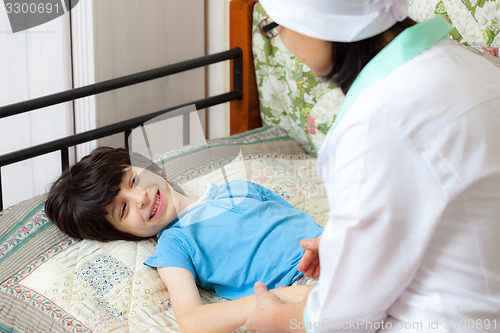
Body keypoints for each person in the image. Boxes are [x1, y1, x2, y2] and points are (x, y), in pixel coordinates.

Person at [246, 0, 500, 332]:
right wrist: (352, 242)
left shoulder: (375, 122)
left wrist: (272, 319)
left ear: (317, 23)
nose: (284, 42)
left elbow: (342, 322)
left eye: (275, 26)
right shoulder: (467, 64)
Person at [45, 146, 323, 333]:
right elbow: (192, 320)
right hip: (298, 287)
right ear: (122, 234)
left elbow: (300, 221)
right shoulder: (174, 244)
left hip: (335, 252)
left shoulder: (238, 187)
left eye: (131, 181)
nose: (140, 198)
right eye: (123, 209)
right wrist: (282, 296)